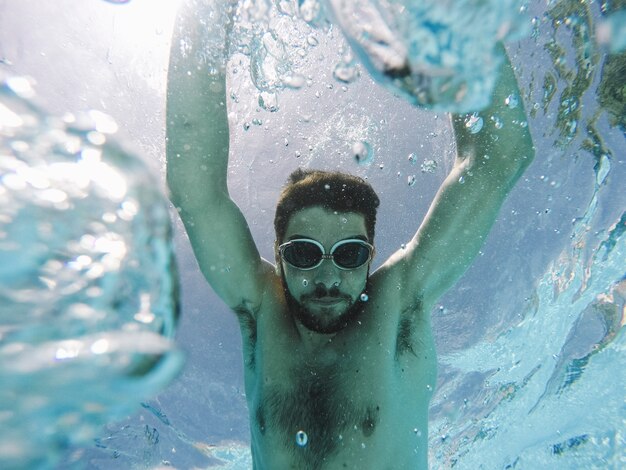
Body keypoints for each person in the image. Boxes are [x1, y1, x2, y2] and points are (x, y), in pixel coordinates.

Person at [165, 2, 535, 469]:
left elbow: (500, 156)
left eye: (349, 254)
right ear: (278, 255)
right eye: (303, 253)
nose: (326, 276)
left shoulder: (398, 301)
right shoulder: (261, 309)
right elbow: (194, 192)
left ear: (370, 256)